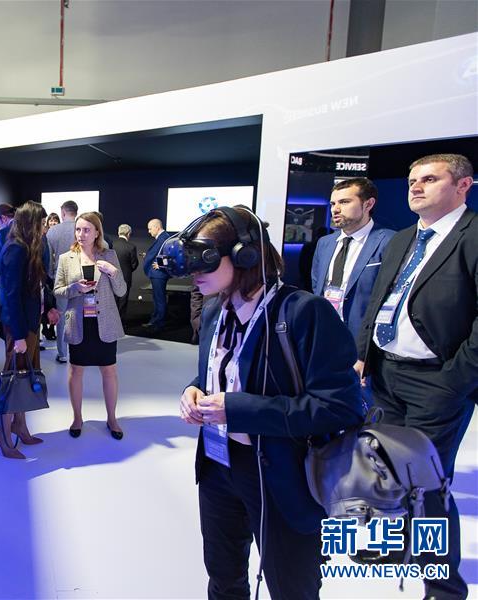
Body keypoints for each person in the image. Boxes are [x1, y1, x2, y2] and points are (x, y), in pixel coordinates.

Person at [178, 206, 363, 600]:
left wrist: (238, 409)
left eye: (204, 259)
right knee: (223, 578)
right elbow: (221, 373)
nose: (193, 271)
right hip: (217, 465)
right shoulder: (213, 310)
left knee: (291, 586)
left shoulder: (303, 312)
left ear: (244, 255)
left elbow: (341, 406)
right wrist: (194, 390)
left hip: (282, 474)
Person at [356, 153, 477, 600]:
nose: (416, 187)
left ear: (463, 186)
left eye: (429, 179)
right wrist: (364, 355)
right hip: (386, 375)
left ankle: (443, 587)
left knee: (427, 485)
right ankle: (394, 547)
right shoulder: (404, 237)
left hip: (436, 381)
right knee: (387, 473)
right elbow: (379, 300)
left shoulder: (473, 236)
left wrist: (453, 381)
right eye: (412, 180)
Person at [54, 212, 127, 439]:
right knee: (76, 370)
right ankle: (77, 417)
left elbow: (121, 290)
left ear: (97, 232)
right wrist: (75, 288)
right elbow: (57, 290)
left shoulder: (109, 255)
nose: (81, 234)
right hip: (78, 323)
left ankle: (112, 418)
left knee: (109, 370)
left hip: (105, 323)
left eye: (86, 230)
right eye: (78, 229)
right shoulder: (66, 258)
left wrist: (113, 272)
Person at [0, 201, 60, 459]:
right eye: (42, 223)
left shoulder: (30, 247)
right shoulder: (15, 249)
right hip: (19, 327)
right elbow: (11, 296)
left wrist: (48, 309)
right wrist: (20, 336)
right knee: (12, 379)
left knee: (22, 377)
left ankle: (20, 426)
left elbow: (38, 287)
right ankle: (3, 433)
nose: (45, 228)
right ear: (30, 223)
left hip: (30, 324)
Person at [312, 178, 393, 342]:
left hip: (364, 337)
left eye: (344, 202)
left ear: (368, 204)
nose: (335, 209)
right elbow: (317, 285)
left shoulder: (389, 241)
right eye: (333, 204)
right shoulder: (324, 243)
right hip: (325, 331)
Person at [46, 200, 79, 363]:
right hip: (80, 278)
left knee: (61, 316)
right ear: (76, 212)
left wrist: (51, 276)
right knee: (78, 316)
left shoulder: (53, 231)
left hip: (60, 279)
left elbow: (48, 258)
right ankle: (78, 351)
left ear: (63, 212)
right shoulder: (82, 229)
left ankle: (63, 353)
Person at [143, 218, 171, 332]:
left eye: (150, 229)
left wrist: (161, 265)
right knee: (157, 298)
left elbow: (170, 254)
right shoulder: (163, 237)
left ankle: (159, 323)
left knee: (159, 299)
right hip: (157, 274)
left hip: (159, 274)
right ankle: (155, 320)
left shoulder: (164, 238)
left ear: (157, 227)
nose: (149, 231)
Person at [112, 224, 139, 319]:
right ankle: (121, 323)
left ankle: (112, 321)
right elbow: (134, 264)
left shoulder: (111, 245)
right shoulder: (131, 247)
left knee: (113, 300)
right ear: (128, 233)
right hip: (125, 278)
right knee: (123, 301)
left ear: (118, 232)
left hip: (112, 277)